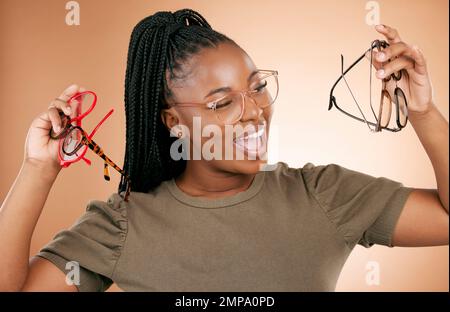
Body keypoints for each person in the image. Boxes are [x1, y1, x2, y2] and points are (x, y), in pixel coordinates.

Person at [0, 9, 448, 292]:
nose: (254, 112)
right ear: (173, 122)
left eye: (258, 88)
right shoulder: (122, 224)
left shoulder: (323, 194)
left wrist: (425, 112)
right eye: (221, 102)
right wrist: (38, 168)